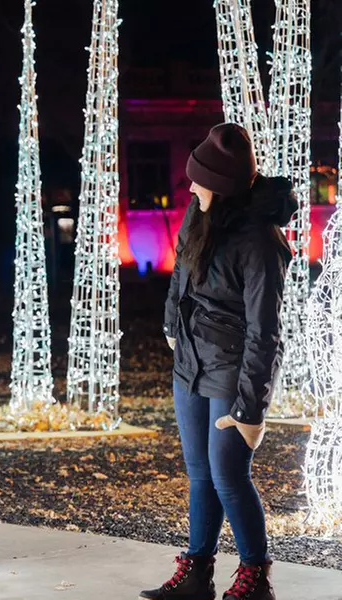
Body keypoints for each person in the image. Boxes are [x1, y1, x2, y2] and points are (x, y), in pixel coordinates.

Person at [143, 123, 295, 600]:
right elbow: (180, 271)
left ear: (224, 188)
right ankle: (197, 573)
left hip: (231, 369)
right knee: (200, 473)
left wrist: (251, 407)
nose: (190, 187)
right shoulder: (199, 212)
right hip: (190, 360)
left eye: (199, 180)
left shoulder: (260, 243)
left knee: (229, 476)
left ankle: (254, 578)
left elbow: (264, 331)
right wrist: (171, 325)